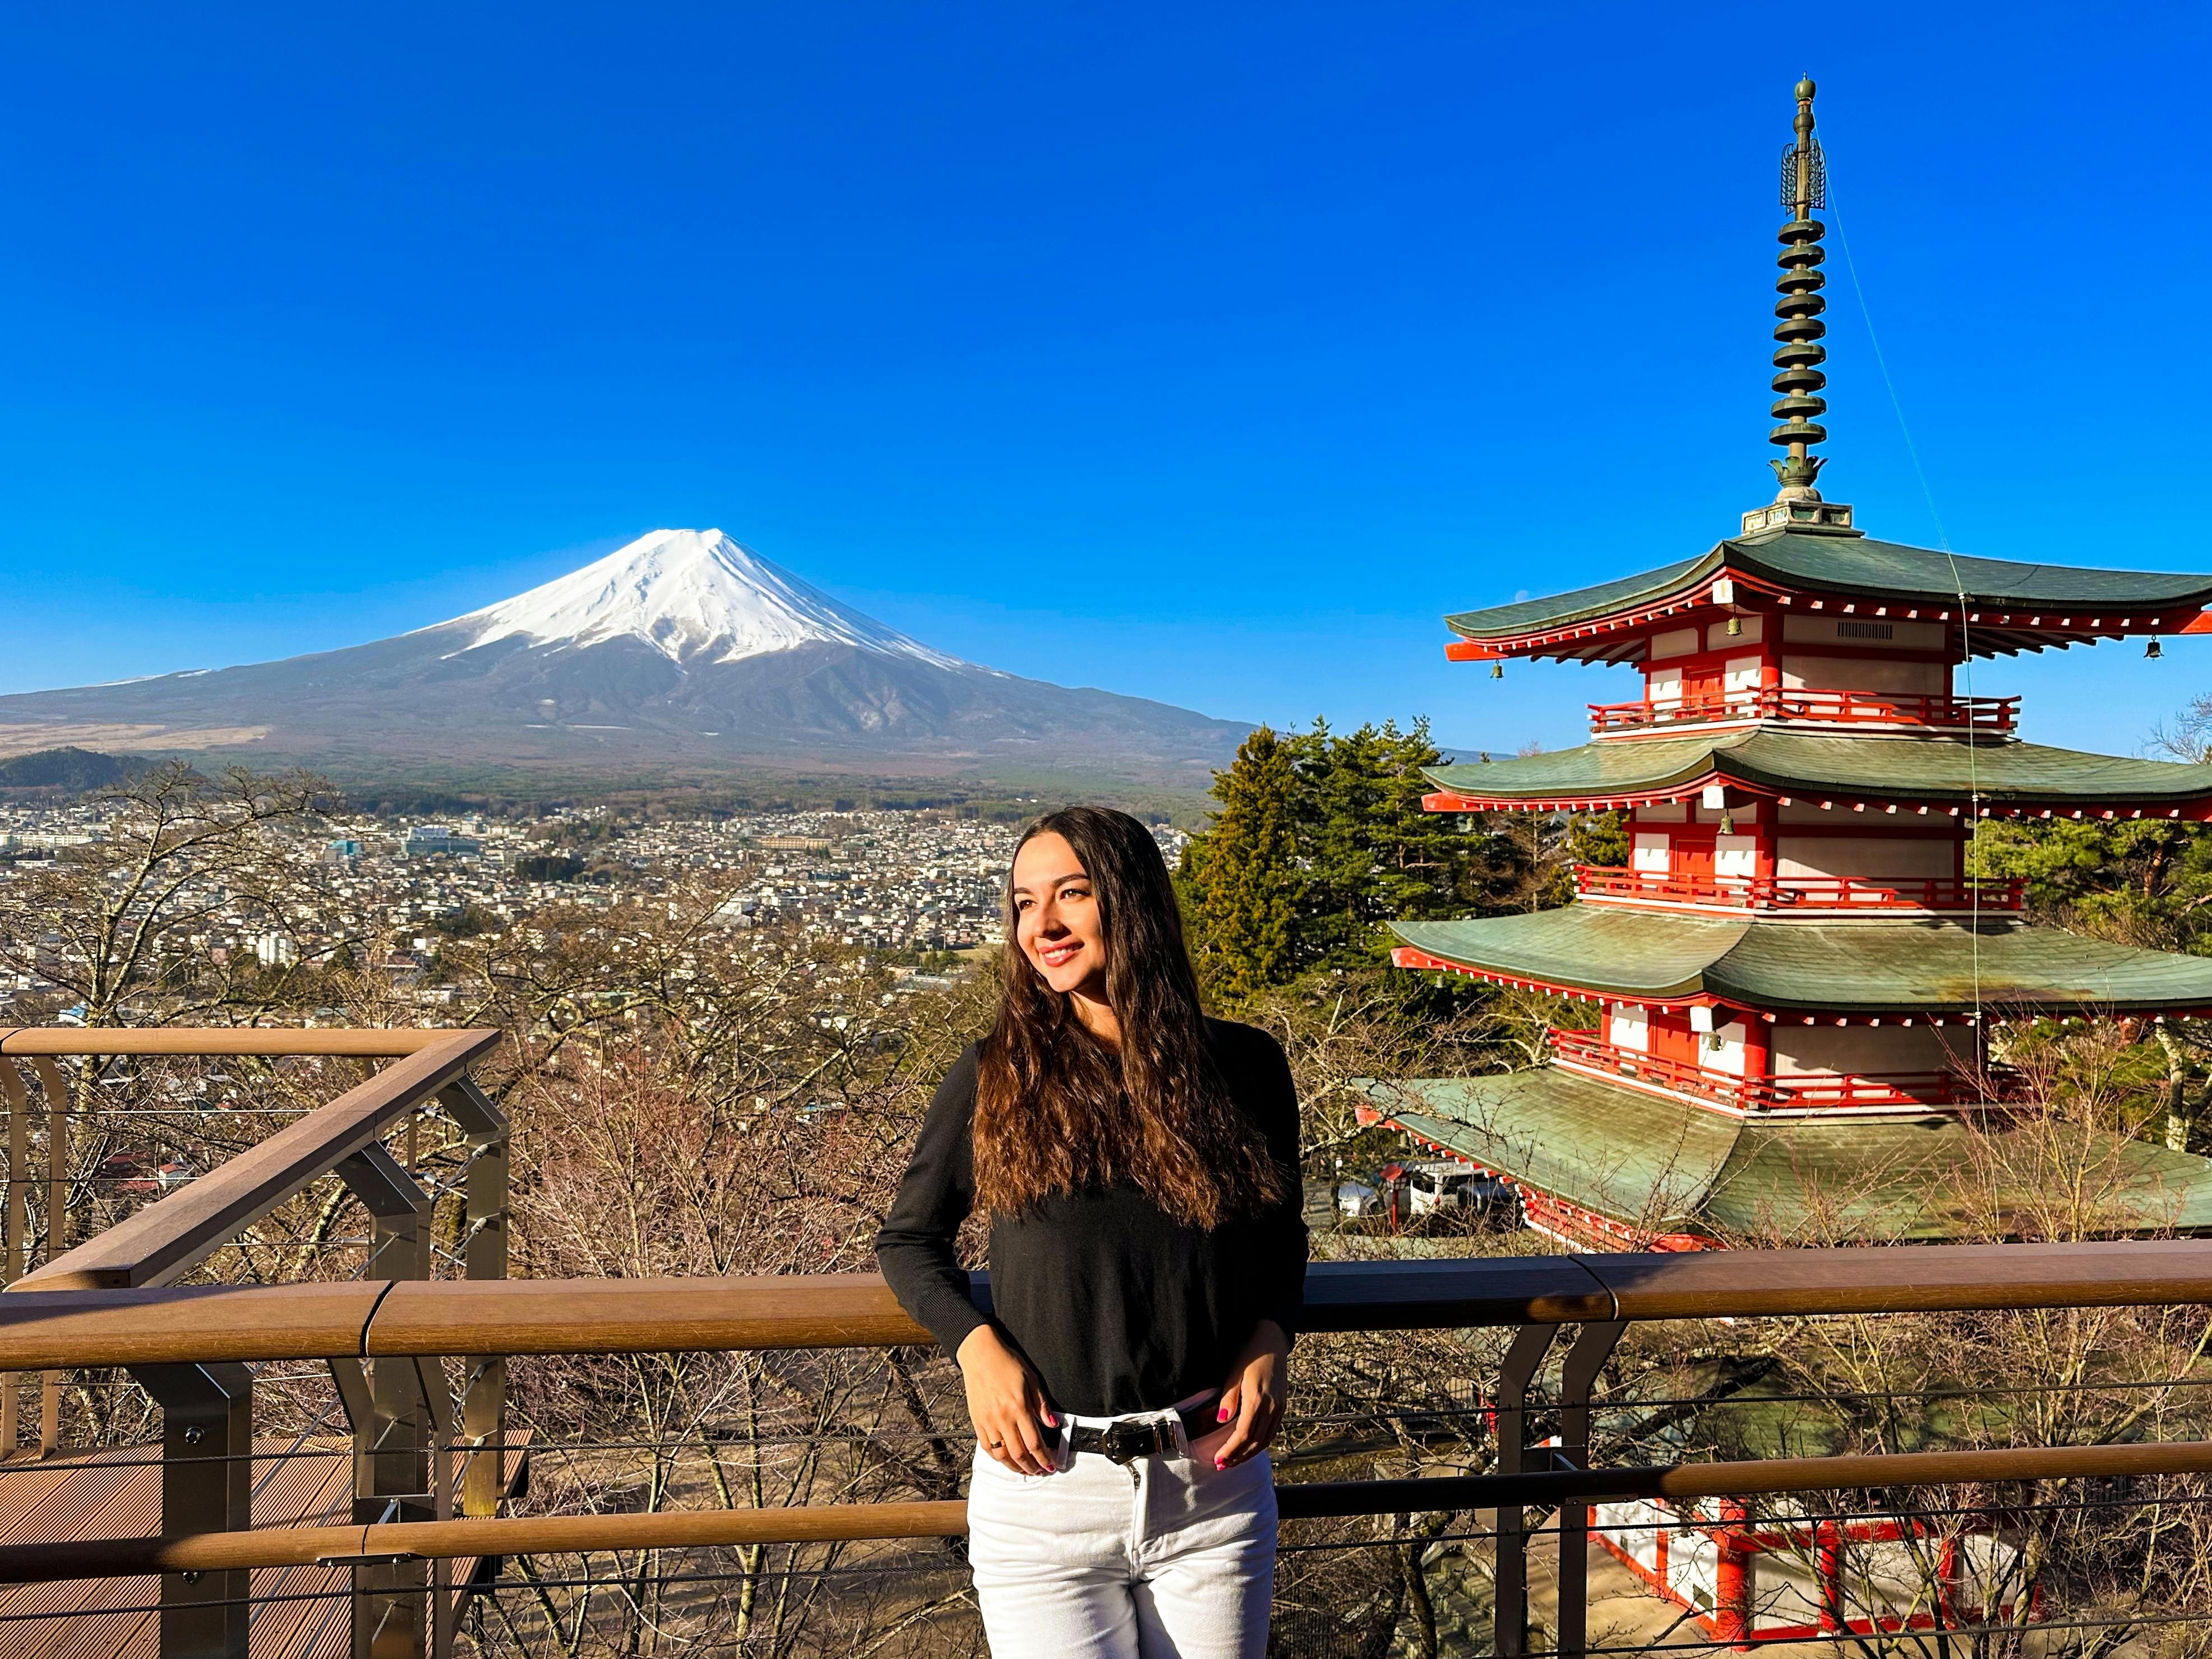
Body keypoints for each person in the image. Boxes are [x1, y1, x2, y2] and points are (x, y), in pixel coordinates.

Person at [876, 805, 1308, 1658]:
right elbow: (908, 1241)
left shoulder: (1245, 1067)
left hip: (1212, 1481)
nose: (1042, 925)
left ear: (1131, 902)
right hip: (1045, 1489)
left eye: (1070, 894)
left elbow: (1279, 1234)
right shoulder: (996, 1074)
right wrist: (974, 1349)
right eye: (1024, 902)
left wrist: (1269, 1336)